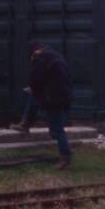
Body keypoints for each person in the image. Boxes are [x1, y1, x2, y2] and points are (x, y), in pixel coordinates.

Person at [15, 41, 73, 169]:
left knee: (57, 131)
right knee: (34, 97)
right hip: (62, 96)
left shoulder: (40, 57)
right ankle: (25, 123)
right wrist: (35, 88)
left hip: (54, 99)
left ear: (34, 52)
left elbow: (35, 77)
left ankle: (65, 158)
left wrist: (32, 87)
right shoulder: (54, 55)